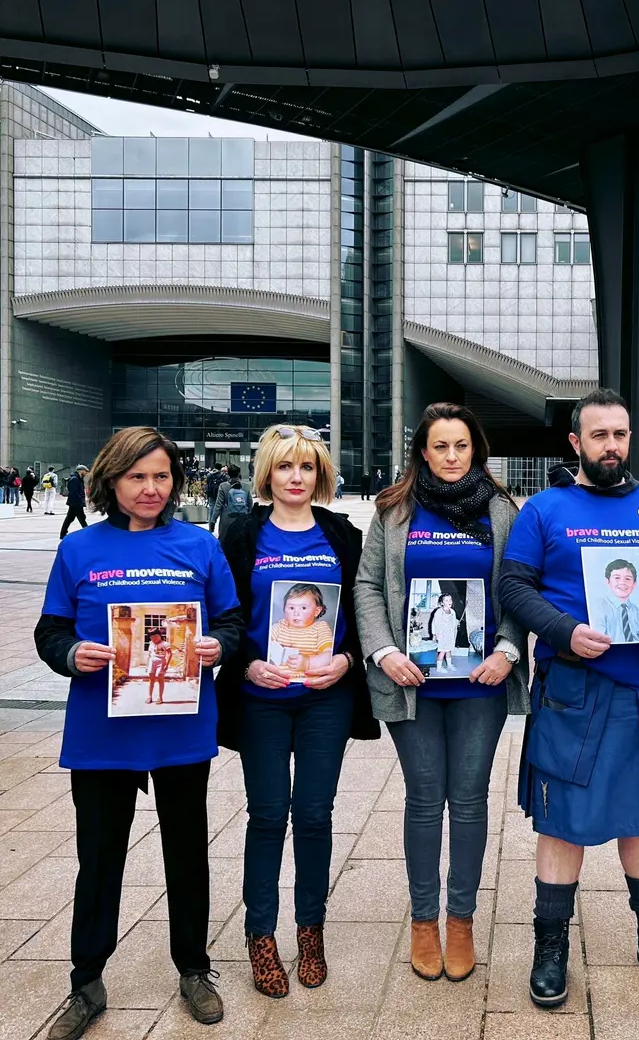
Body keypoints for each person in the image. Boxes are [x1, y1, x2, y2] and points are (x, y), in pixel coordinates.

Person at [34, 427, 245, 1039]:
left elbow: (231, 621)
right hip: (102, 732)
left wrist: (217, 647)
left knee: (186, 853)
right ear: (111, 481)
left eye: (160, 476)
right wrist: (73, 653)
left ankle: (194, 969)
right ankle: (86, 980)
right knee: (98, 858)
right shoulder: (78, 550)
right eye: (137, 477)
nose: (150, 488)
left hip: (180, 726)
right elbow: (50, 632)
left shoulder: (200, 546)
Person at [498, 387, 639, 1007]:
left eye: (621, 434)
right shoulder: (545, 510)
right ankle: (550, 943)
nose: (611, 446)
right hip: (571, 689)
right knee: (563, 824)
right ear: (576, 442)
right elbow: (513, 584)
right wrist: (562, 631)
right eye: (599, 435)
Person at [355, 402, 529, 984]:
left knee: (471, 800)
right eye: (440, 447)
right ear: (422, 453)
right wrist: (384, 652)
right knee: (426, 800)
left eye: (462, 446)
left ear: (475, 449)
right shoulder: (394, 511)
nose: (452, 457)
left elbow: (518, 585)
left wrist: (507, 650)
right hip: (415, 683)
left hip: (480, 684)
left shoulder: (503, 510)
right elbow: (367, 586)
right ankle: (424, 921)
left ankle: (461, 920)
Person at [215, 423, 379, 999]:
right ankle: (261, 937)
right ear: (268, 473)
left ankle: (311, 931)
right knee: (266, 816)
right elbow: (225, 614)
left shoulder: (341, 534)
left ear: (320, 475)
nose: (295, 477)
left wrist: (350, 658)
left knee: (313, 814)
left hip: (324, 698)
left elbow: (363, 607)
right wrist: (245, 666)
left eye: (306, 467)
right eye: (285, 467)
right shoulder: (240, 533)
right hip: (261, 696)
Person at [268, 582, 335, 680]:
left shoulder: (320, 628)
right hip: (280, 681)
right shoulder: (281, 626)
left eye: (303, 608)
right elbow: (265, 642)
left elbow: (329, 655)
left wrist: (308, 662)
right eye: (291, 608)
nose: (296, 613)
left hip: (308, 682)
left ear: (317, 611)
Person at [595, 559, 639, 642]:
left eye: (628, 579)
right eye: (617, 578)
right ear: (608, 582)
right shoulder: (598, 608)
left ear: (634, 584)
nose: (622, 582)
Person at [209, 464, 252, 542]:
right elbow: (250, 505)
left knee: (224, 545)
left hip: (226, 521)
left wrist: (213, 521)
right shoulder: (246, 487)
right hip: (242, 520)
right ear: (239, 473)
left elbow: (218, 506)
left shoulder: (223, 486)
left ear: (228, 474)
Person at [429, 592, 460, 671]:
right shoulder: (439, 612)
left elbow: (453, 622)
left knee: (449, 650)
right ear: (442, 603)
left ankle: (449, 664)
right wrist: (434, 634)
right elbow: (434, 623)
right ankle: (439, 668)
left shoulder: (452, 612)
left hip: (450, 634)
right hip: (442, 634)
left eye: (450, 600)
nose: (449, 601)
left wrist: (457, 622)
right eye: (446, 600)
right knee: (442, 651)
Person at [60, 464, 90, 540]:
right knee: (82, 519)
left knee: (70, 518)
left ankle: (63, 533)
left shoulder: (78, 479)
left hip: (75, 503)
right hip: (76, 503)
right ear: (81, 471)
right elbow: (74, 492)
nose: (86, 473)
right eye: (85, 471)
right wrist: (79, 502)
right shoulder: (75, 479)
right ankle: (88, 533)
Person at [146, 629, 172, 705]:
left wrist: (167, 665)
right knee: (151, 680)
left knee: (160, 679)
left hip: (161, 662)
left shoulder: (165, 644)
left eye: (156, 636)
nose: (154, 638)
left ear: (160, 635)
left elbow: (170, 654)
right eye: (152, 637)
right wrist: (148, 665)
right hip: (152, 662)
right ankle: (149, 696)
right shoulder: (151, 644)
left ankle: (160, 697)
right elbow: (149, 654)